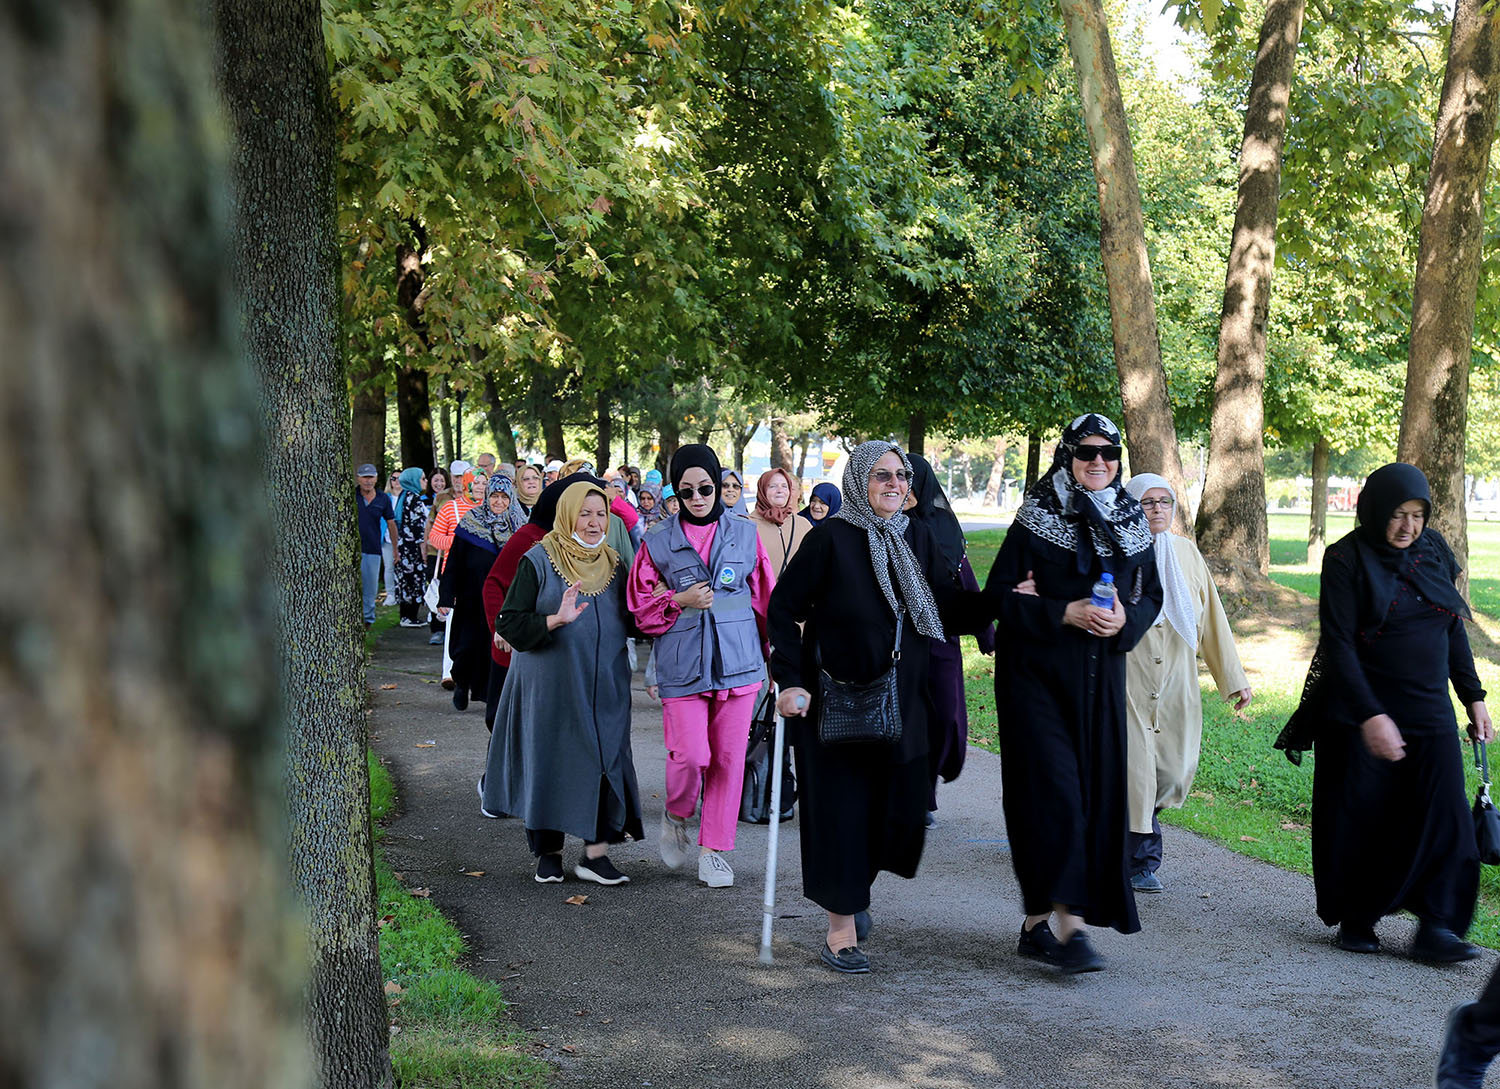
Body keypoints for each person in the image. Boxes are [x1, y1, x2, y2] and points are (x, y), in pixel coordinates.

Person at [770, 441, 990, 974]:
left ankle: (854, 887)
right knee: (843, 812)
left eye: (901, 475)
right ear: (859, 482)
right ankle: (840, 928)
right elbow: (783, 610)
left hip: (903, 702)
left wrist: (1006, 598)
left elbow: (948, 604)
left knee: (898, 810)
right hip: (836, 702)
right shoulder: (830, 539)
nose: (895, 483)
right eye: (882, 475)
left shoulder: (916, 536)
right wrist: (790, 681)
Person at [1281, 462, 1491, 960]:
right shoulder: (1346, 559)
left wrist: (1474, 696)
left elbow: (1453, 627)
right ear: (1375, 510)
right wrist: (1371, 715)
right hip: (1360, 709)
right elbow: (1339, 644)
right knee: (1364, 814)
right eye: (1397, 514)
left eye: (1417, 515)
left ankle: (1438, 925)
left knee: (1445, 815)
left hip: (1429, 708)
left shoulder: (1435, 550)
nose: (1408, 526)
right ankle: (1359, 917)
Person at [984, 413, 1162, 974]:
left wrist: (1125, 621)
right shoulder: (1036, 517)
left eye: (1110, 455)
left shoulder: (1130, 519)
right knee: (1056, 793)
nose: (1099, 464)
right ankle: (1071, 928)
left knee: (1091, 796)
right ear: (1067, 455)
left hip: (1099, 682)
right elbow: (999, 601)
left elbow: (1149, 596)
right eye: (1087, 453)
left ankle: (1038, 922)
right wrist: (1064, 610)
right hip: (1035, 679)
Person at [481, 481, 645, 885]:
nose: (593, 522)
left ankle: (595, 855)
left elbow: (635, 620)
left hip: (606, 684)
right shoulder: (538, 559)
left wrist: (666, 601)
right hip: (549, 686)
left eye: (600, 514)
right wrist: (554, 619)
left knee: (603, 757)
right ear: (567, 514)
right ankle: (548, 854)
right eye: (585, 513)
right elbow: (509, 620)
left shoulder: (615, 563)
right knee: (550, 761)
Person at [628, 445, 775, 889]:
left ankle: (714, 851)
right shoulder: (657, 540)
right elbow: (639, 606)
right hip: (682, 666)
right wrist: (677, 599)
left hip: (739, 664)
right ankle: (676, 811)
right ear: (676, 490)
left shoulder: (745, 535)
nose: (697, 497)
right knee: (691, 756)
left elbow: (767, 598)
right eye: (687, 489)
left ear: (719, 487)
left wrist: (779, 656)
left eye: (706, 488)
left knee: (728, 760)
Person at [1121, 473, 1252, 892]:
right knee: (1134, 771)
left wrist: (1233, 680)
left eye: (1165, 502)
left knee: (1173, 772)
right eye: (1146, 502)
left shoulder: (1186, 554)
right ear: (1130, 506)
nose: (1157, 509)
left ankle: (1126, 847)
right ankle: (1139, 863)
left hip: (1177, 681)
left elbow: (1212, 619)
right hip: (1128, 678)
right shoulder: (1115, 551)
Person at [906, 454, 995, 825]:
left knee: (945, 720)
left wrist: (987, 636)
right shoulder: (882, 529)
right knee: (907, 722)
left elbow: (966, 585)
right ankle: (916, 795)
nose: (902, 488)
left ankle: (930, 779)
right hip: (900, 645)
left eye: (909, 480)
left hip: (942, 642)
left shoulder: (944, 529)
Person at [480, 473, 595, 737]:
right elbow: (493, 584)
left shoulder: (574, 541)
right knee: (504, 722)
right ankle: (495, 778)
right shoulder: (529, 537)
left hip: (548, 646)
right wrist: (500, 628)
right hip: (513, 644)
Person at [439, 474, 523, 712]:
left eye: (504, 497)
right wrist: (446, 596)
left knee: (493, 649)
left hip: (502, 602)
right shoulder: (471, 522)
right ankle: (461, 682)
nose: (498, 502)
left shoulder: (518, 526)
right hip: (470, 598)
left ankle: (488, 697)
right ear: (486, 496)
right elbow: (453, 561)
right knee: (466, 647)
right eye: (494, 496)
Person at [748, 467, 811, 577]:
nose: (780, 490)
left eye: (784, 486)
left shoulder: (803, 525)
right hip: (761, 593)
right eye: (773, 486)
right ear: (762, 490)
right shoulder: (747, 525)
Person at [355, 463, 398, 627]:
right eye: (364, 477)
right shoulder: (351, 495)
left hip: (373, 548)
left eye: (371, 477)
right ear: (358, 478)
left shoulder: (382, 498)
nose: (368, 481)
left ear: (376, 478)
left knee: (370, 587)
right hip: (351, 549)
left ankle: (367, 620)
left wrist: (395, 549)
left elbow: (391, 524)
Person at [393, 467, 429, 627]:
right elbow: (417, 527)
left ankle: (406, 616)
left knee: (406, 581)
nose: (426, 481)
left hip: (404, 547)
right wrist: (423, 549)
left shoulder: (404, 496)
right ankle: (410, 617)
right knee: (413, 579)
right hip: (412, 549)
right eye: (423, 478)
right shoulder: (413, 498)